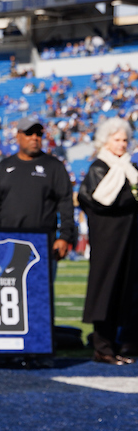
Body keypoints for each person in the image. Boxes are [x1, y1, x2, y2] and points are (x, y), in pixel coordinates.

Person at [78, 117, 138, 364]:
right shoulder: (99, 167)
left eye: (125, 139)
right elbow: (95, 199)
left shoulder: (129, 168)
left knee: (125, 291)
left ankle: (117, 344)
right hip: (107, 240)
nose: (122, 144)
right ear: (106, 141)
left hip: (129, 239)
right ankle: (102, 346)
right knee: (106, 289)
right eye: (117, 139)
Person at [0, 116, 74, 268]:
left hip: (43, 243)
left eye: (38, 134)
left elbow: (66, 204)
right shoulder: (3, 167)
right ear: (18, 136)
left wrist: (65, 237)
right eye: (29, 133)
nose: (34, 137)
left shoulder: (55, 167)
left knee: (41, 290)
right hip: (8, 243)